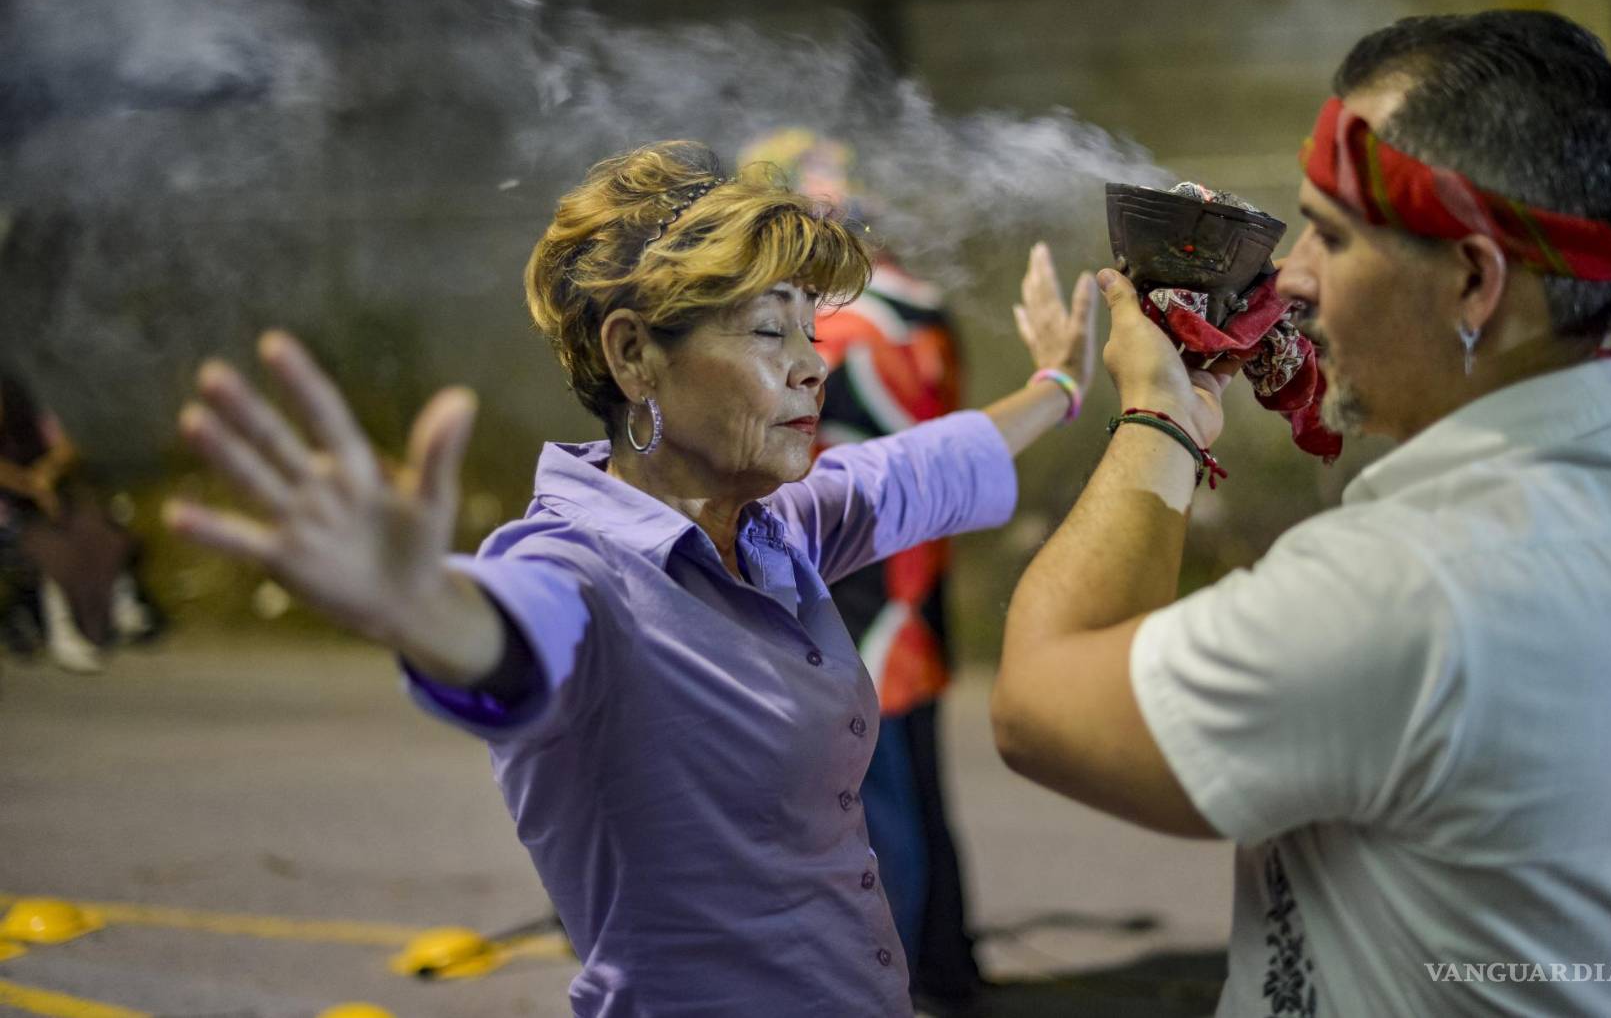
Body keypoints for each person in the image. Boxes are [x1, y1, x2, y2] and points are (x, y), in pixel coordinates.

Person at [166, 141, 1096, 1018]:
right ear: (633, 354)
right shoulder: (580, 570)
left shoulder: (775, 523)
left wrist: (1060, 383)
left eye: (811, 330)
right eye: (770, 331)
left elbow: (926, 466)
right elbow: (508, 632)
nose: (814, 365)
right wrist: (422, 610)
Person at [990, 10, 1611, 1016]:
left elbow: (1033, 706)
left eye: (1329, 234)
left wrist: (1160, 413)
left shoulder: (1399, 587)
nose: (1292, 280)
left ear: (1470, 281)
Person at [739, 127, 992, 1011]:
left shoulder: (833, 324)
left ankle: (890, 991)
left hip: (854, 589)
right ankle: (946, 970)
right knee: (918, 787)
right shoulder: (918, 304)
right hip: (916, 580)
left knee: (872, 806)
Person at [0, 370, 156, 673]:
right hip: (12, 521)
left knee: (97, 531)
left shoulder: (30, 425)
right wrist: (30, 485)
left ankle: (120, 609)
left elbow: (67, 449)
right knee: (53, 557)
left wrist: (46, 472)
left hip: (48, 512)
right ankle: (64, 634)